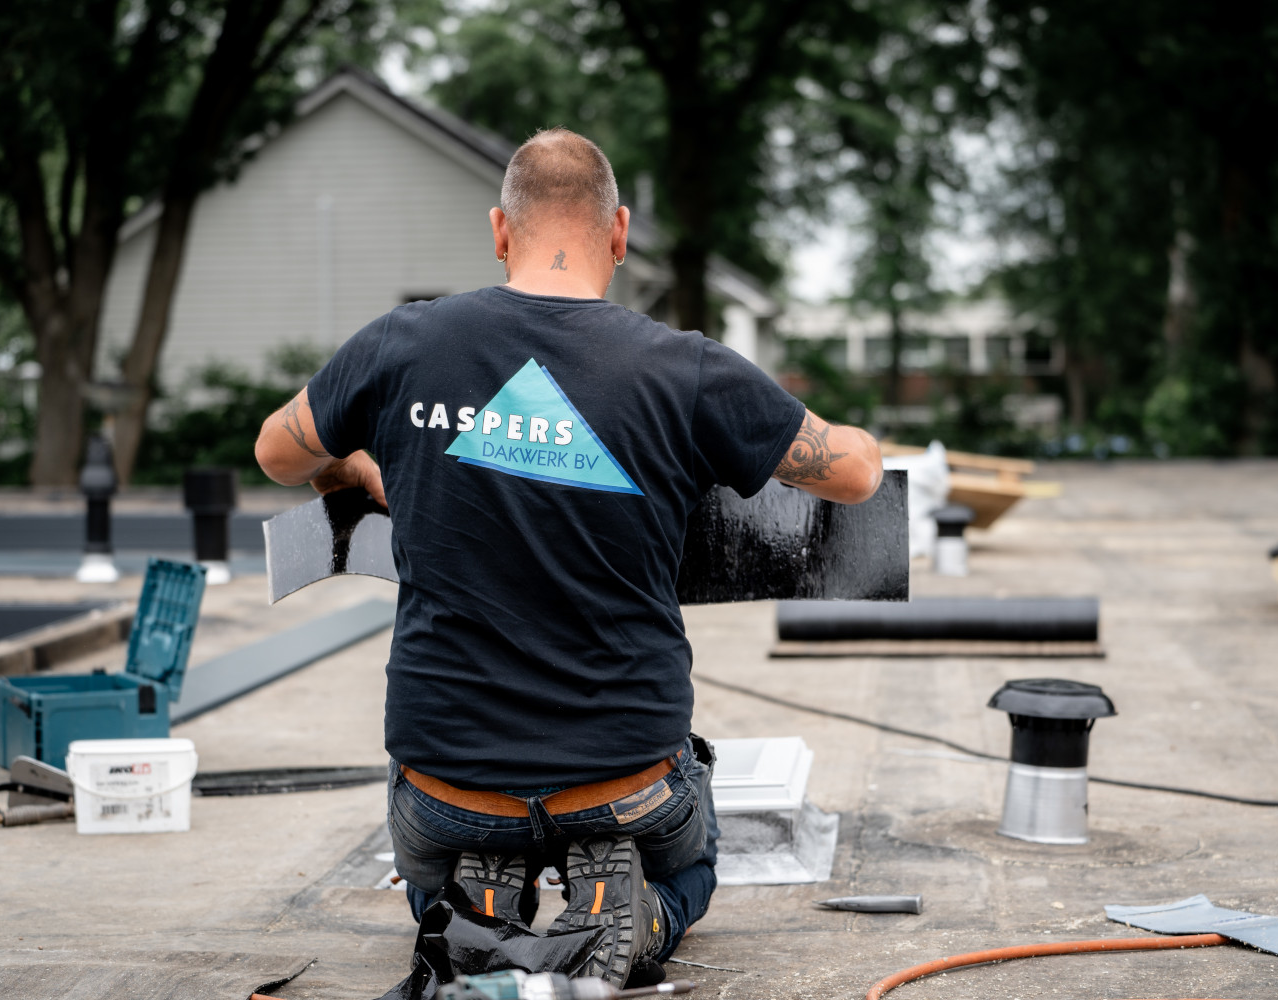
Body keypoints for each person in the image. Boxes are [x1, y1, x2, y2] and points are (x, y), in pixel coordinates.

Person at [254, 128, 882, 989]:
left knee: (433, 875)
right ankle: (633, 911)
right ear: (619, 231)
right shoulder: (686, 369)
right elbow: (855, 478)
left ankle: (474, 907)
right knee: (695, 864)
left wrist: (365, 463)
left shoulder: (402, 345)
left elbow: (276, 454)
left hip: (448, 792)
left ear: (499, 231)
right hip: (625, 785)